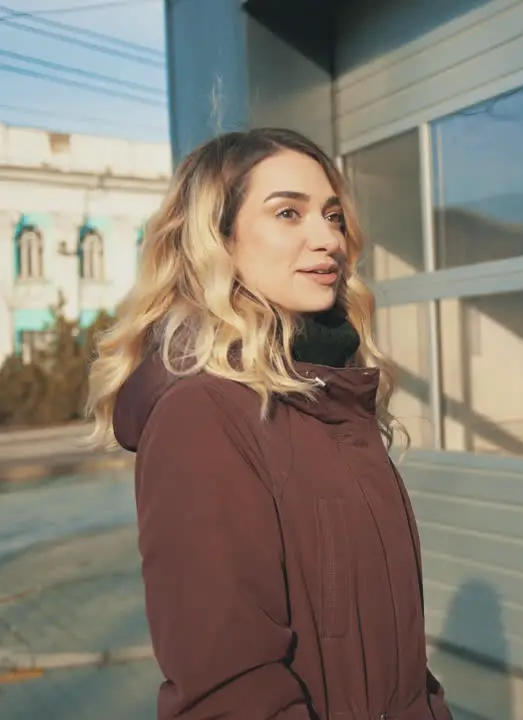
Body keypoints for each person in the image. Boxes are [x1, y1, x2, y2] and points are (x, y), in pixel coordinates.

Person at [86, 128, 453, 720]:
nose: (327, 238)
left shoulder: (332, 396)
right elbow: (229, 693)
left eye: (333, 216)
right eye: (289, 213)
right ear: (219, 240)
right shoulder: (203, 416)